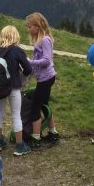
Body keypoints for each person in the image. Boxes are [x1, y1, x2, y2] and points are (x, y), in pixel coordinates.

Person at [0, 26, 33, 156]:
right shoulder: (17, 51)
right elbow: (28, 69)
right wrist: (22, 77)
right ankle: (20, 146)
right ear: (15, 36)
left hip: (0, 88)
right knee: (16, 115)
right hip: (14, 87)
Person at [26, 12, 58, 149]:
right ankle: (53, 133)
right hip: (45, 78)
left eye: (30, 26)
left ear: (38, 26)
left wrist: (30, 62)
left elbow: (46, 61)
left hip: (46, 79)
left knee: (35, 108)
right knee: (45, 106)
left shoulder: (45, 40)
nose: (28, 29)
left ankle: (36, 139)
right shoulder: (40, 40)